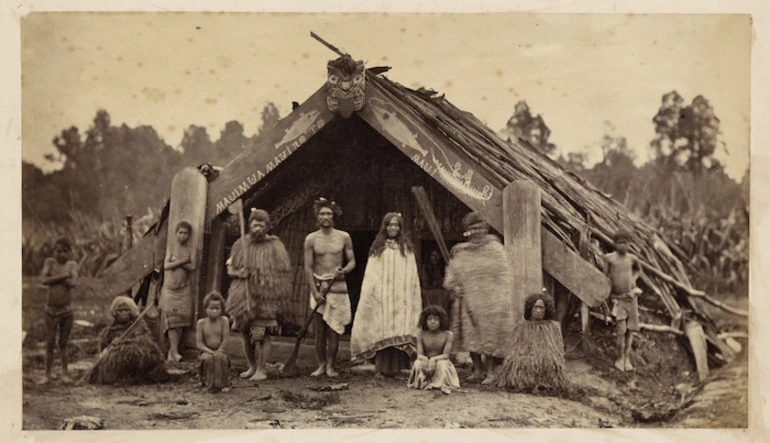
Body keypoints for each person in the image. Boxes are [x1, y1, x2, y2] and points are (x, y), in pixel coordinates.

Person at [443, 212, 515, 385]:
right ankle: (478, 370)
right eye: (472, 229)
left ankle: (490, 371)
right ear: (467, 231)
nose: (476, 232)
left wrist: (500, 297)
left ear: (485, 229)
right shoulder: (461, 251)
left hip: (491, 303)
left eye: (479, 228)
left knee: (488, 336)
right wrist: (454, 286)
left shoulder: (496, 249)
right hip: (468, 301)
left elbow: (505, 276)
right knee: (471, 336)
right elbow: (452, 275)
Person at [350, 212, 422, 378]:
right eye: (390, 224)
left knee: (399, 328)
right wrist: (374, 293)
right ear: (385, 227)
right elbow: (371, 273)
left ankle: (398, 369)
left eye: (396, 225)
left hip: (400, 297)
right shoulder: (378, 247)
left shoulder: (407, 248)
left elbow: (411, 274)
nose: (393, 228)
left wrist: (406, 294)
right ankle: (381, 369)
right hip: (382, 296)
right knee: (382, 329)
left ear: (400, 227)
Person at [225, 209, 291, 381]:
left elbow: (283, 272)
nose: (258, 229)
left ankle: (262, 369)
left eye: (262, 225)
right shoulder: (240, 244)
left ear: (267, 226)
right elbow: (230, 268)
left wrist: (268, 282)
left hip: (266, 298)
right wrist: (239, 273)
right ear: (250, 225)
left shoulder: (275, 246)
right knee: (245, 333)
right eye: (255, 225)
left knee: (262, 334)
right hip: (243, 297)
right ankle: (252, 367)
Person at [304, 198, 355, 378]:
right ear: (317, 217)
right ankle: (321, 365)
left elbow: (352, 262)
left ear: (334, 216)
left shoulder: (343, 237)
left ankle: (331, 366)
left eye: (329, 213)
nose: (325, 217)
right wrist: (315, 292)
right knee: (320, 330)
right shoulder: (311, 239)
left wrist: (344, 271)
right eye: (322, 214)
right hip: (318, 285)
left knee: (334, 328)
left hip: (337, 284)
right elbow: (308, 268)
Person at [87, 296, 166, 385]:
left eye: (126, 310)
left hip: (137, 362)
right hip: (119, 366)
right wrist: (111, 346)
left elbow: (147, 343)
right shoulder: (109, 332)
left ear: (131, 312)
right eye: (120, 311)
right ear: (116, 313)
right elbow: (103, 353)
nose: (124, 313)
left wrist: (125, 343)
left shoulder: (140, 326)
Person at [496, 293, 567, 392]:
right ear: (530, 308)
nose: (538, 311)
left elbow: (558, 351)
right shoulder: (521, 327)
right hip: (525, 358)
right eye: (536, 307)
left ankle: (545, 382)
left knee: (549, 361)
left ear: (546, 309)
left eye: (541, 308)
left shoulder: (552, 327)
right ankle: (524, 381)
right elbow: (514, 350)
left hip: (546, 362)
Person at [39, 237, 79, 384]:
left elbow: (73, 283)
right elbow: (43, 280)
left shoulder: (72, 265)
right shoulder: (50, 262)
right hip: (50, 310)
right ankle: (47, 375)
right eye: (58, 250)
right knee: (49, 342)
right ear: (54, 251)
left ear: (69, 252)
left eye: (65, 251)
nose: (61, 254)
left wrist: (54, 278)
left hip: (67, 311)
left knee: (63, 343)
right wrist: (63, 276)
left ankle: (65, 374)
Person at [603, 229, 643, 372]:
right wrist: (610, 297)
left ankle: (627, 358)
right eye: (619, 243)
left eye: (625, 243)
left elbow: (638, 270)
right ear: (614, 244)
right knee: (621, 330)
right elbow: (604, 276)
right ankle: (619, 358)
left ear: (629, 244)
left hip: (631, 298)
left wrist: (633, 278)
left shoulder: (632, 259)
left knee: (630, 330)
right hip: (617, 299)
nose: (622, 246)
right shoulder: (609, 258)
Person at [160, 221, 195, 363]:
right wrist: (183, 261)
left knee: (181, 321)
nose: (182, 235)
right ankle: (174, 352)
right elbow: (167, 265)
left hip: (184, 290)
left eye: (185, 233)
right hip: (170, 289)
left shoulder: (191, 249)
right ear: (176, 234)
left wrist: (179, 261)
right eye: (180, 232)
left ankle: (172, 354)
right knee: (172, 322)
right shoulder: (171, 248)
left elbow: (192, 266)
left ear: (189, 235)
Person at [407, 306, 460, 395]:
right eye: (429, 319)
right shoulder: (421, 334)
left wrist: (433, 359)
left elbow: (446, 355)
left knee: (441, 364)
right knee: (418, 363)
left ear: (441, 320)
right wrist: (425, 359)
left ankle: (438, 384)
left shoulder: (448, 334)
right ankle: (422, 383)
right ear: (425, 321)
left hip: (441, 360)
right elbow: (419, 354)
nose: (432, 322)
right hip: (426, 360)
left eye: (436, 319)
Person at [197, 291, 231, 392]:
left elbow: (225, 340)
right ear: (206, 308)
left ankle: (223, 384)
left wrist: (219, 350)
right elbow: (199, 343)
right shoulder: (201, 323)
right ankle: (209, 384)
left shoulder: (224, 320)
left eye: (217, 308)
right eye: (211, 308)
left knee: (221, 358)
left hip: (220, 351)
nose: (214, 311)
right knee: (208, 359)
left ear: (222, 309)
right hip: (205, 351)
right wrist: (211, 352)